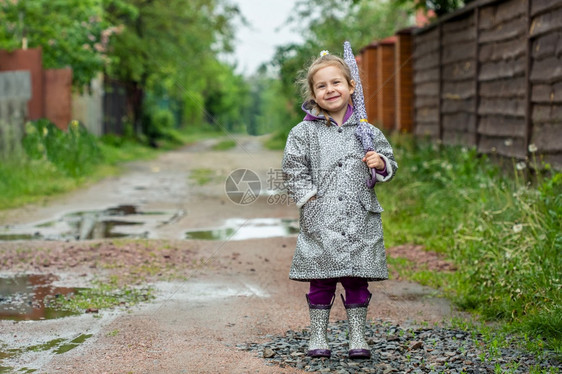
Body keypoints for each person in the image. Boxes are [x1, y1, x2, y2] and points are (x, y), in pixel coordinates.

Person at [282, 51, 397, 359]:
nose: (330, 90)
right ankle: (318, 335)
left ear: (351, 87)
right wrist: (309, 199)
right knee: (321, 276)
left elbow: (390, 166)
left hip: (359, 216)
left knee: (356, 275)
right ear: (313, 94)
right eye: (322, 86)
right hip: (322, 217)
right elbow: (293, 168)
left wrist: (380, 162)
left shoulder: (368, 132)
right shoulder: (303, 133)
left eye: (336, 83)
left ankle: (357, 336)